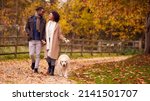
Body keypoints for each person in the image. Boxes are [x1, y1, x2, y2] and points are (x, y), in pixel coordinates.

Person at [45, 11, 69, 76]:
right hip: (48, 42)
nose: (49, 15)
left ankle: (52, 71)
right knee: (47, 57)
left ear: (54, 16)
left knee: (53, 57)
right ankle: (50, 67)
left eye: (50, 14)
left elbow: (59, 34)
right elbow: (45, 33)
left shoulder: (57, 25)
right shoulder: (47, 24)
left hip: (54, 42)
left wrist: (65, 39)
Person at [25, 7, 46, 73]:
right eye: (42, 12)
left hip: (39, 40)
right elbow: (26, 28)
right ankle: (33, 62)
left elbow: (44, 31)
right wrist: (29, 33)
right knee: (31, 54)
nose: (43, 13)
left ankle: (36, 68)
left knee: (38, 55)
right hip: (31, 39)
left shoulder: (43, 20)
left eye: (43, 12)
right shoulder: (30, 18)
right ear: (38, 11)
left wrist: (43, 39)